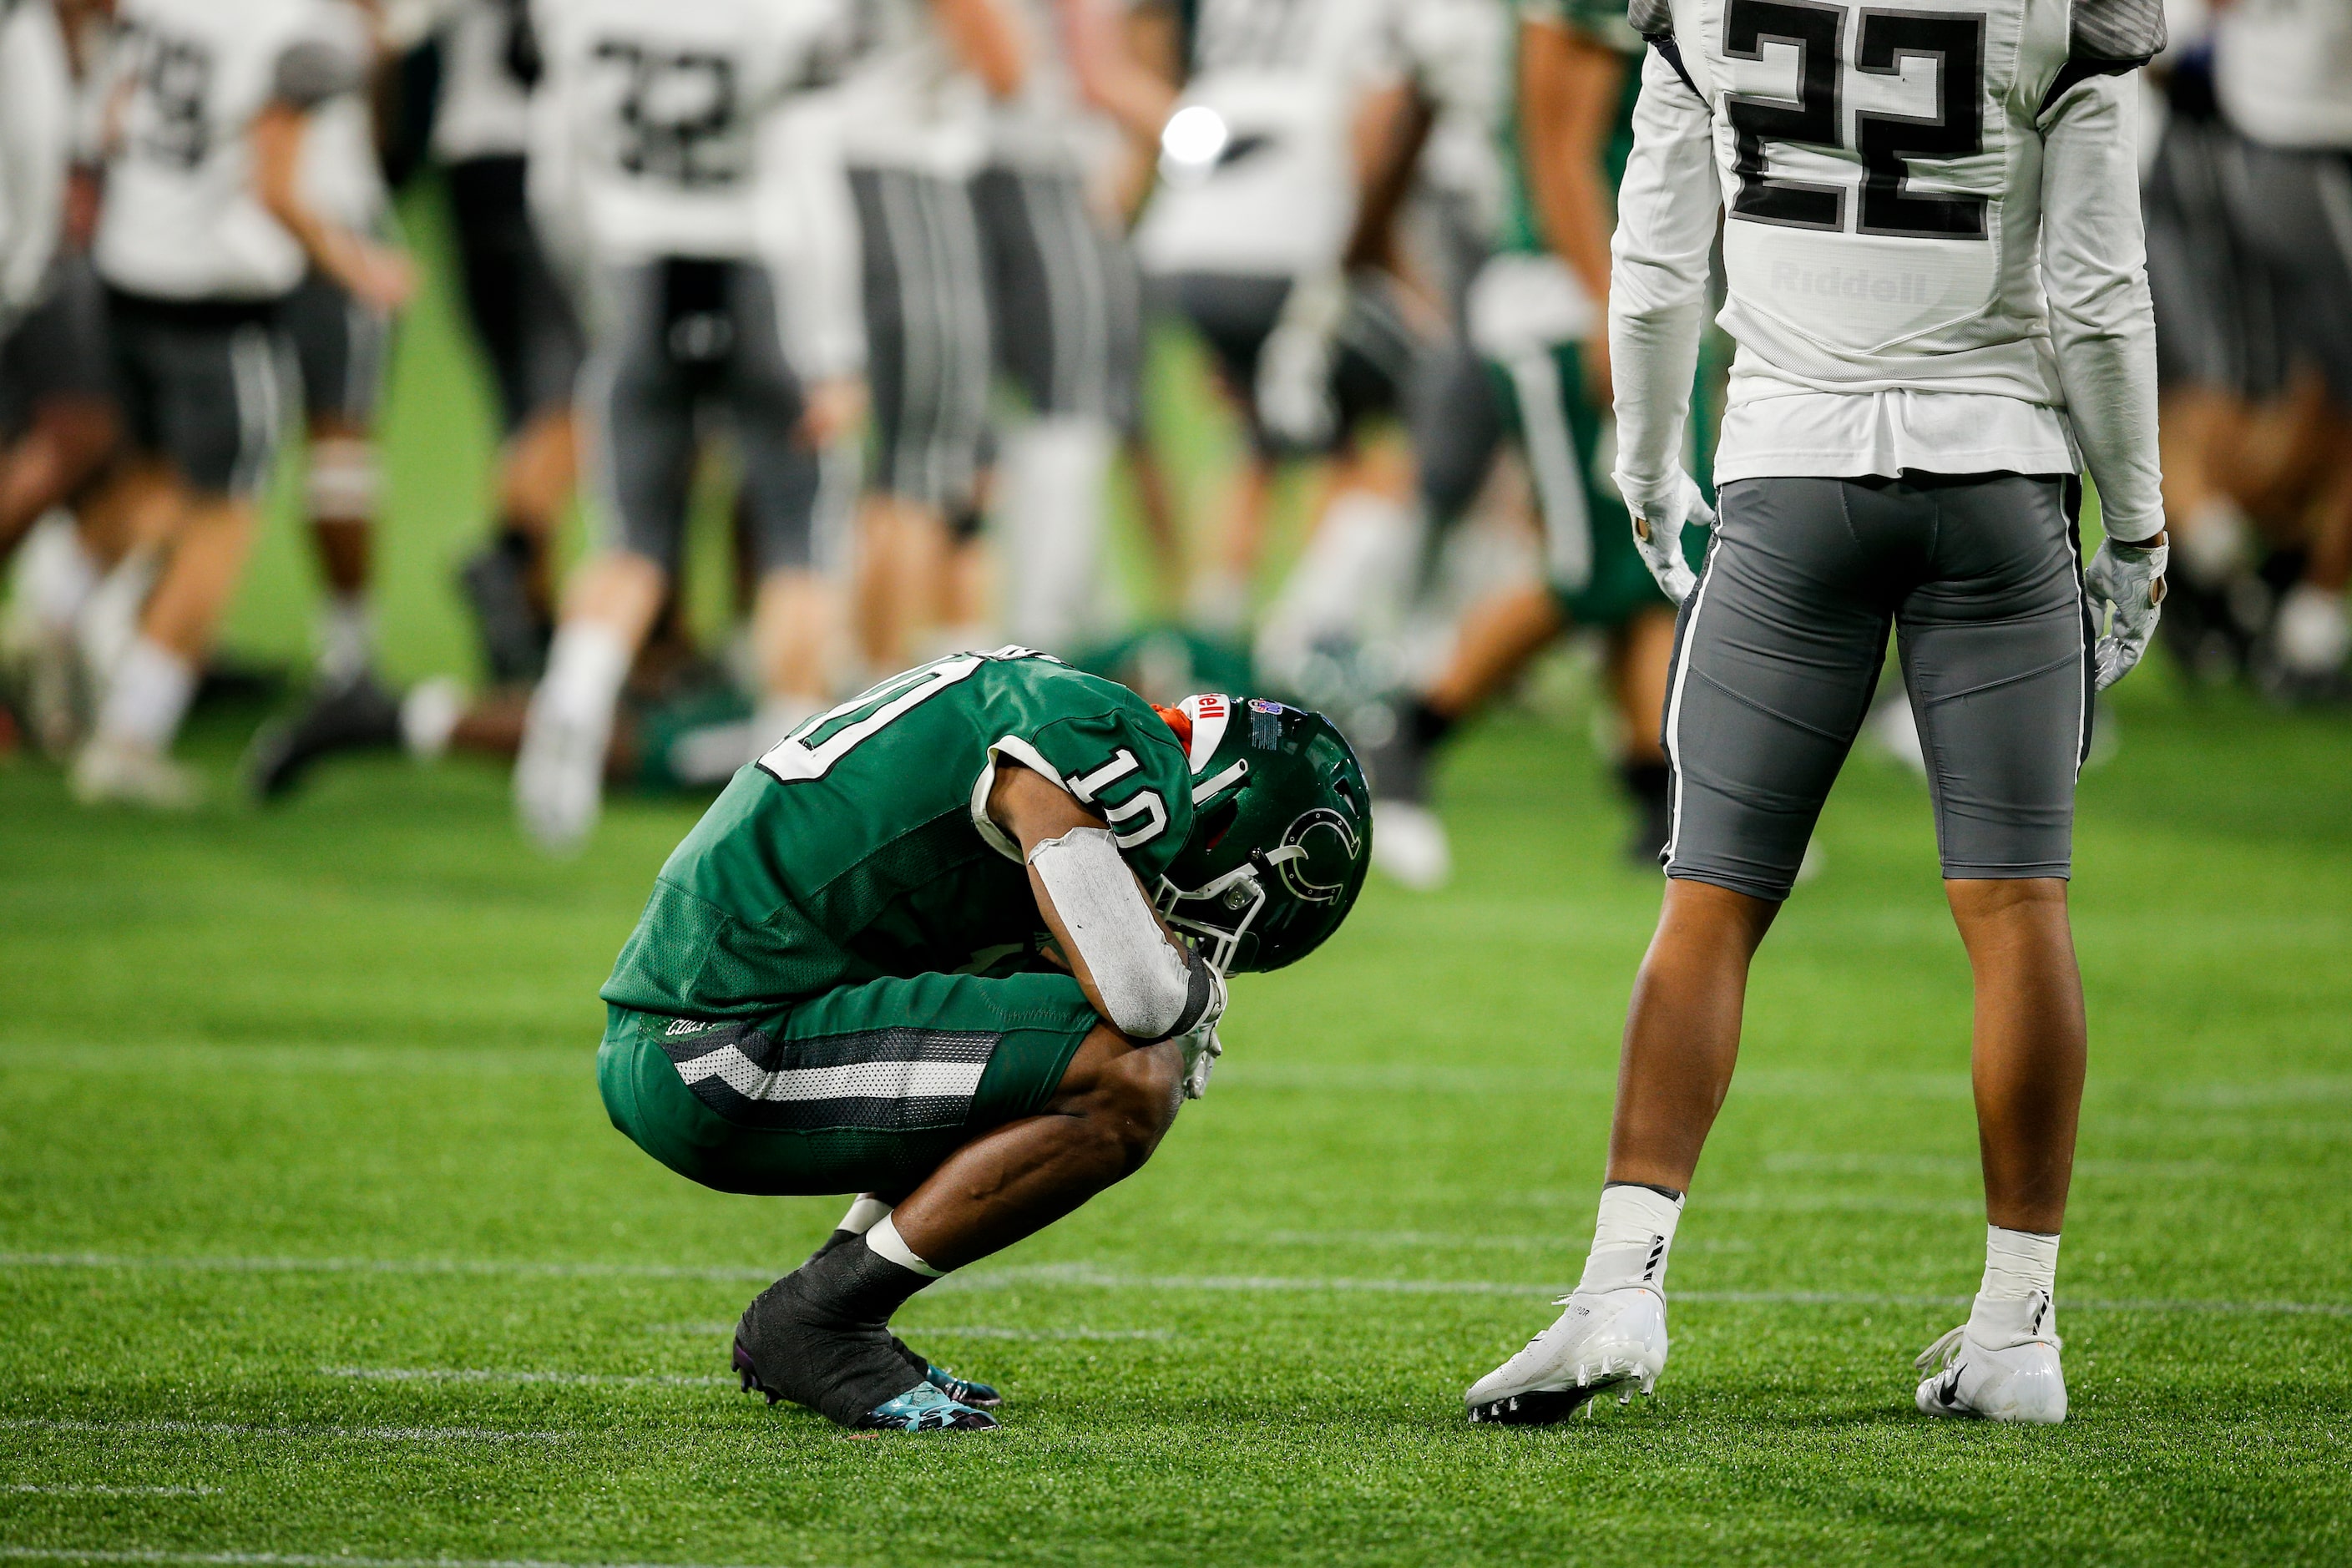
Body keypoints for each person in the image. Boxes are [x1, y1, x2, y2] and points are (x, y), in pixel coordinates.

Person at [1465, 0, 2168, 1425]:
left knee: (1708, 898)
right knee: (2018, 903)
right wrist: (2140, 524)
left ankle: (1619, 1289)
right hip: (1997, 480)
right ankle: (2017, 1324)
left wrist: (1648, 459)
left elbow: (1656, 251)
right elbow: (2101, 290)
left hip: (1790, 473)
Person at [594, 652, 1372, 1432]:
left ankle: (821, 1312)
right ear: (1232, 826)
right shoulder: (1108, 743)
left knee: (1037, 1028)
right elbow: (1142, 998)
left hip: (706, 1025)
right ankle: (820, 1320)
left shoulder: (1054, 706)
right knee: (1131, 1072)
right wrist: (1196, 991)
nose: (1200, 936)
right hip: (710, 1052)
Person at [508, 0, 859, 852]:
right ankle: (789, 786)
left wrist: (602, 292)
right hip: (758, 271)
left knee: (631, 538)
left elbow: (554, 179)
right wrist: (837, 348)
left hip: (636, 266)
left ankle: (574, 708)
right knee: (794, 535)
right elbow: (811, 170)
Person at [1353, 0, 1688, 888]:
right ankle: (1411, 732)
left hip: (1631, 290)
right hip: (1568, 298)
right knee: (1588, 565)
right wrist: (1609, 306)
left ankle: (1657, 797)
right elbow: (1558, 145)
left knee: (1653, 556)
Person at [73, 0, 411, 806]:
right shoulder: (288, 27)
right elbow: (277, 188)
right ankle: (130, 732)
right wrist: (359, 265)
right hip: (209, 294)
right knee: (222, 515)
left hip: (127, 265)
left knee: (147, 483)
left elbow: (112, 112)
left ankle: (58, 637)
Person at [245, 0, 410, 797]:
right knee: (338, 442)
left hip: (190, 228)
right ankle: (349, 657)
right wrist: (351, 260)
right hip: (318, 219)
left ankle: (101, 640)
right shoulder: (319, 27)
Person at [432, 0, 588, 689]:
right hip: (540, 161)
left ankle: (531, 618)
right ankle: (506, 558)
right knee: (577, 392)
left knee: (523, 405)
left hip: (465, 166)